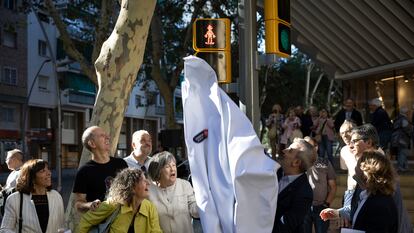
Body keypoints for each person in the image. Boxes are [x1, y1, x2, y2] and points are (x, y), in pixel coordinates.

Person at [320, 124, 413, 233]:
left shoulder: (382, 180)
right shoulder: (362, 182)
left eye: (354, 141)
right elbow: (361, 207)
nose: (350, 146)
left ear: (368, 142)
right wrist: (339, 213)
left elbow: (391, 218)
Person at [323, 151, 398, 233]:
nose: (355, 167)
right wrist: (338, 213)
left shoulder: (380, 203)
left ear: (366, 171)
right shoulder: (366, 196)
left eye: (358, 164)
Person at [78, 168, 162, 233]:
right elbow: (86, 221)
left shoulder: (150, 208)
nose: (148, 183)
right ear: (132, 187)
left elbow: (156, 231)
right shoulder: (113, 204)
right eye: (143, 180)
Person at [73, 126, 128, 213]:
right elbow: (78, 204)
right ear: (92, 143)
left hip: (122, 219)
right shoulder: (84, 171)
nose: (108, 137)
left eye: (107, 135)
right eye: (102, 136)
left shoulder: (121, 164)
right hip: (99, 223)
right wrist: (90, 204)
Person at [0, 159, 64, 232]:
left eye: (48, 170)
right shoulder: (15, 199)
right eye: (43, 171)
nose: (49, 173)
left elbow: (61, 226)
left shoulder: (56, 196)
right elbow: (5, 229)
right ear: (31, 177)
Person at [147, 151, 199, 233]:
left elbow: (194, 209)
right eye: (167, 166)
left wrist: (205, 205)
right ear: (157, 171)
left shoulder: (184, 185)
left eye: (174, 165)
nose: (172, 169)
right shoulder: (148, 190)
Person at [272, 138, 315, 233]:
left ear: (296, 162)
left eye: (290, 150)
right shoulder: (274, 172)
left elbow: (284, 226)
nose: (284, 150)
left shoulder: (304, 193)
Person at [303, 137, 336, 233]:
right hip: (304, 207)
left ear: (316, 147)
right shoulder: (299, 164)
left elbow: (333, 187)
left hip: (322, 207)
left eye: (310, 146)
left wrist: (326, 204)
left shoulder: (325, 162)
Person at [391, 106, 412, 172]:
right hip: (402, 139)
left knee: (402, 152)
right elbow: (407, 129)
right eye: (408, 112)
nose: (409, 113)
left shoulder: (398, 118)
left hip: (397, 139)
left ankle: (405, 166)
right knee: (402, 153)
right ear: (405, 112)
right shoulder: (404, 119)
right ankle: (401, 167)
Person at [339, 120, 358, 191]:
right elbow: (344, 168)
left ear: (355, 132)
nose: (344, 136)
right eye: (342, 133)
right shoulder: (344, 151)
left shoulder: (369, 148)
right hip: (351, 189)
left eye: (347, 132)